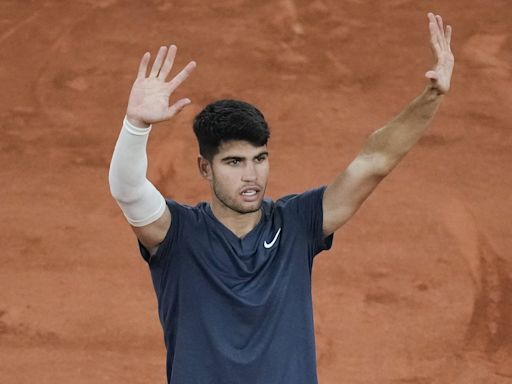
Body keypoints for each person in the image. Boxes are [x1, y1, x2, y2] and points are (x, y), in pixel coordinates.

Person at [108, 12, 454, 384]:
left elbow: (374, 161)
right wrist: (136, 125)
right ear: (205, 168)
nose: (251, 175)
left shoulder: (296, 224)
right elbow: (128, 190)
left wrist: (431, 97)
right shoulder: (177, 235)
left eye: (260, 159)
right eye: (234, 162)